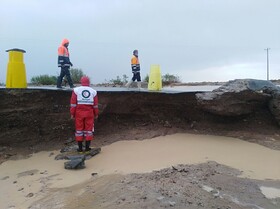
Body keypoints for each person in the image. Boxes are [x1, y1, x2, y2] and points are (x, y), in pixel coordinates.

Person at [70, 76, 99, 153]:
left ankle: (80, 149)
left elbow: (73, 104)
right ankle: (87, 148)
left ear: (81, 81)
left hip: (79, 113)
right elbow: (95, 105)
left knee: (79, 130)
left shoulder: (76, 90)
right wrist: (96, 114)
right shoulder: (93, 91)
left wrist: (72, 114)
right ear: (89, 82)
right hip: (90, 113)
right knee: (89, 130)